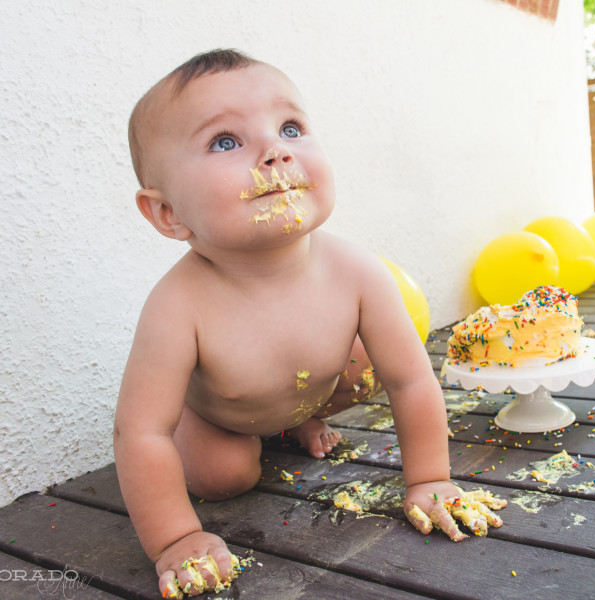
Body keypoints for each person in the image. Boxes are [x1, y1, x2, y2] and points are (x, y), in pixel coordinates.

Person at [114, 49, 503, 598]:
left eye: (290, 127)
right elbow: (139, 432)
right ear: (168, 214)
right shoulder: (177, 305)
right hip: (223, 415)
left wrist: (430, 479)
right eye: (225, 141)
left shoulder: (356, 270)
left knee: (372, 364)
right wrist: (174, 538)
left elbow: (411, 381)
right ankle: (230, 436)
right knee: (224, 478)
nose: (274, 151)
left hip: (309, 389)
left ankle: (298, 421)